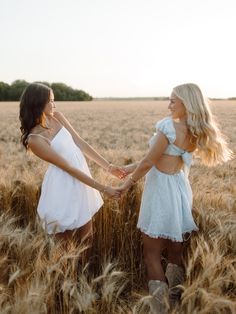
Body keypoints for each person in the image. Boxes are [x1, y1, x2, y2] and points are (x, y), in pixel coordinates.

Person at [118, 83, 233, 313]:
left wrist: (125, 185)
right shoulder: (194, 131)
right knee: (175, 252)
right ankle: (177, 301)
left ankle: (160, 309)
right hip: (179, 192)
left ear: (186, 104)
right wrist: (128, 168)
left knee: (151, 254)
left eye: (173, 100)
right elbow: (160, 159)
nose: (168, 104)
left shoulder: (168, 127)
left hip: (159, 193)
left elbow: (150, 162)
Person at [19, 82, 126, 247]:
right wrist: (104, 189)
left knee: (86, 239)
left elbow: (81, 144)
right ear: (37, 103)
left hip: (81, 181)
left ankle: (83, 272)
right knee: (65, 246)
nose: (54, 105)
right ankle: (67, 273)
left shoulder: (57, 117)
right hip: (63, 186)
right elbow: (68, 168)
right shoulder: (35, 139)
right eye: (50, 101)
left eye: (54, 100)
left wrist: (109, 167)